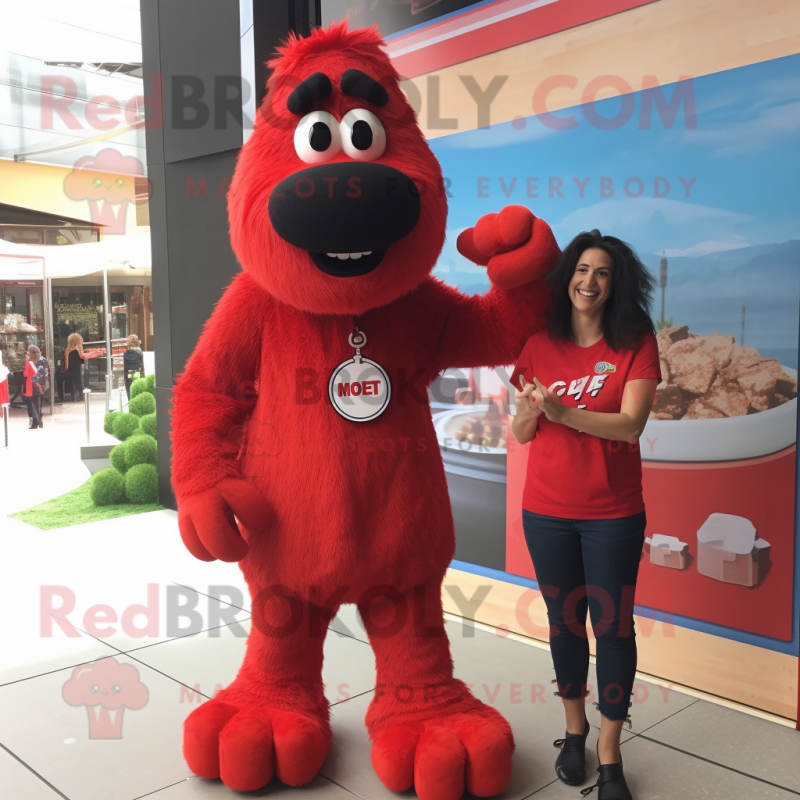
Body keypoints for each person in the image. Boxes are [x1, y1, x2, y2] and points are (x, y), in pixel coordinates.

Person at [509, 229, 660, 800]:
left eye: (602, 272)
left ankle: (609, 752)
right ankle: (573, 732)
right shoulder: (537, 345)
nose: (588, 281)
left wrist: (565, 412)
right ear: (566, 277)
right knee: (564, 623)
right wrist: (530, 412)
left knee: (613, 629)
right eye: (581, 270)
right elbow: (521, 432)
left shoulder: (634, 341)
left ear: (616, 283)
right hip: (545, 510)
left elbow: (630, 424)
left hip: (613, 513)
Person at [23, 345, 50, 429]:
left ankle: (37, 422)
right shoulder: (43, 360)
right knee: (38, 404)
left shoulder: (30, 362)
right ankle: (38, 421)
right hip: (41, 385)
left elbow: (26, 374)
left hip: (33, 385)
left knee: (31, 404)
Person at [60, 332, 85, 401]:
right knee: (79, 373)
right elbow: (82, 360)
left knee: (58, 376)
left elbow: (66, 364)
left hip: (70, 372)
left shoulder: (67, 350)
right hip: (77, 373)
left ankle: (62, 396)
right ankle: (80, 391)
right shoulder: (78, 349)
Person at [123, 334, 145, 398]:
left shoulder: (127, 353)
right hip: (138, 373)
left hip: (129, 374)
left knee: (130, 390)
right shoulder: (140, 352)